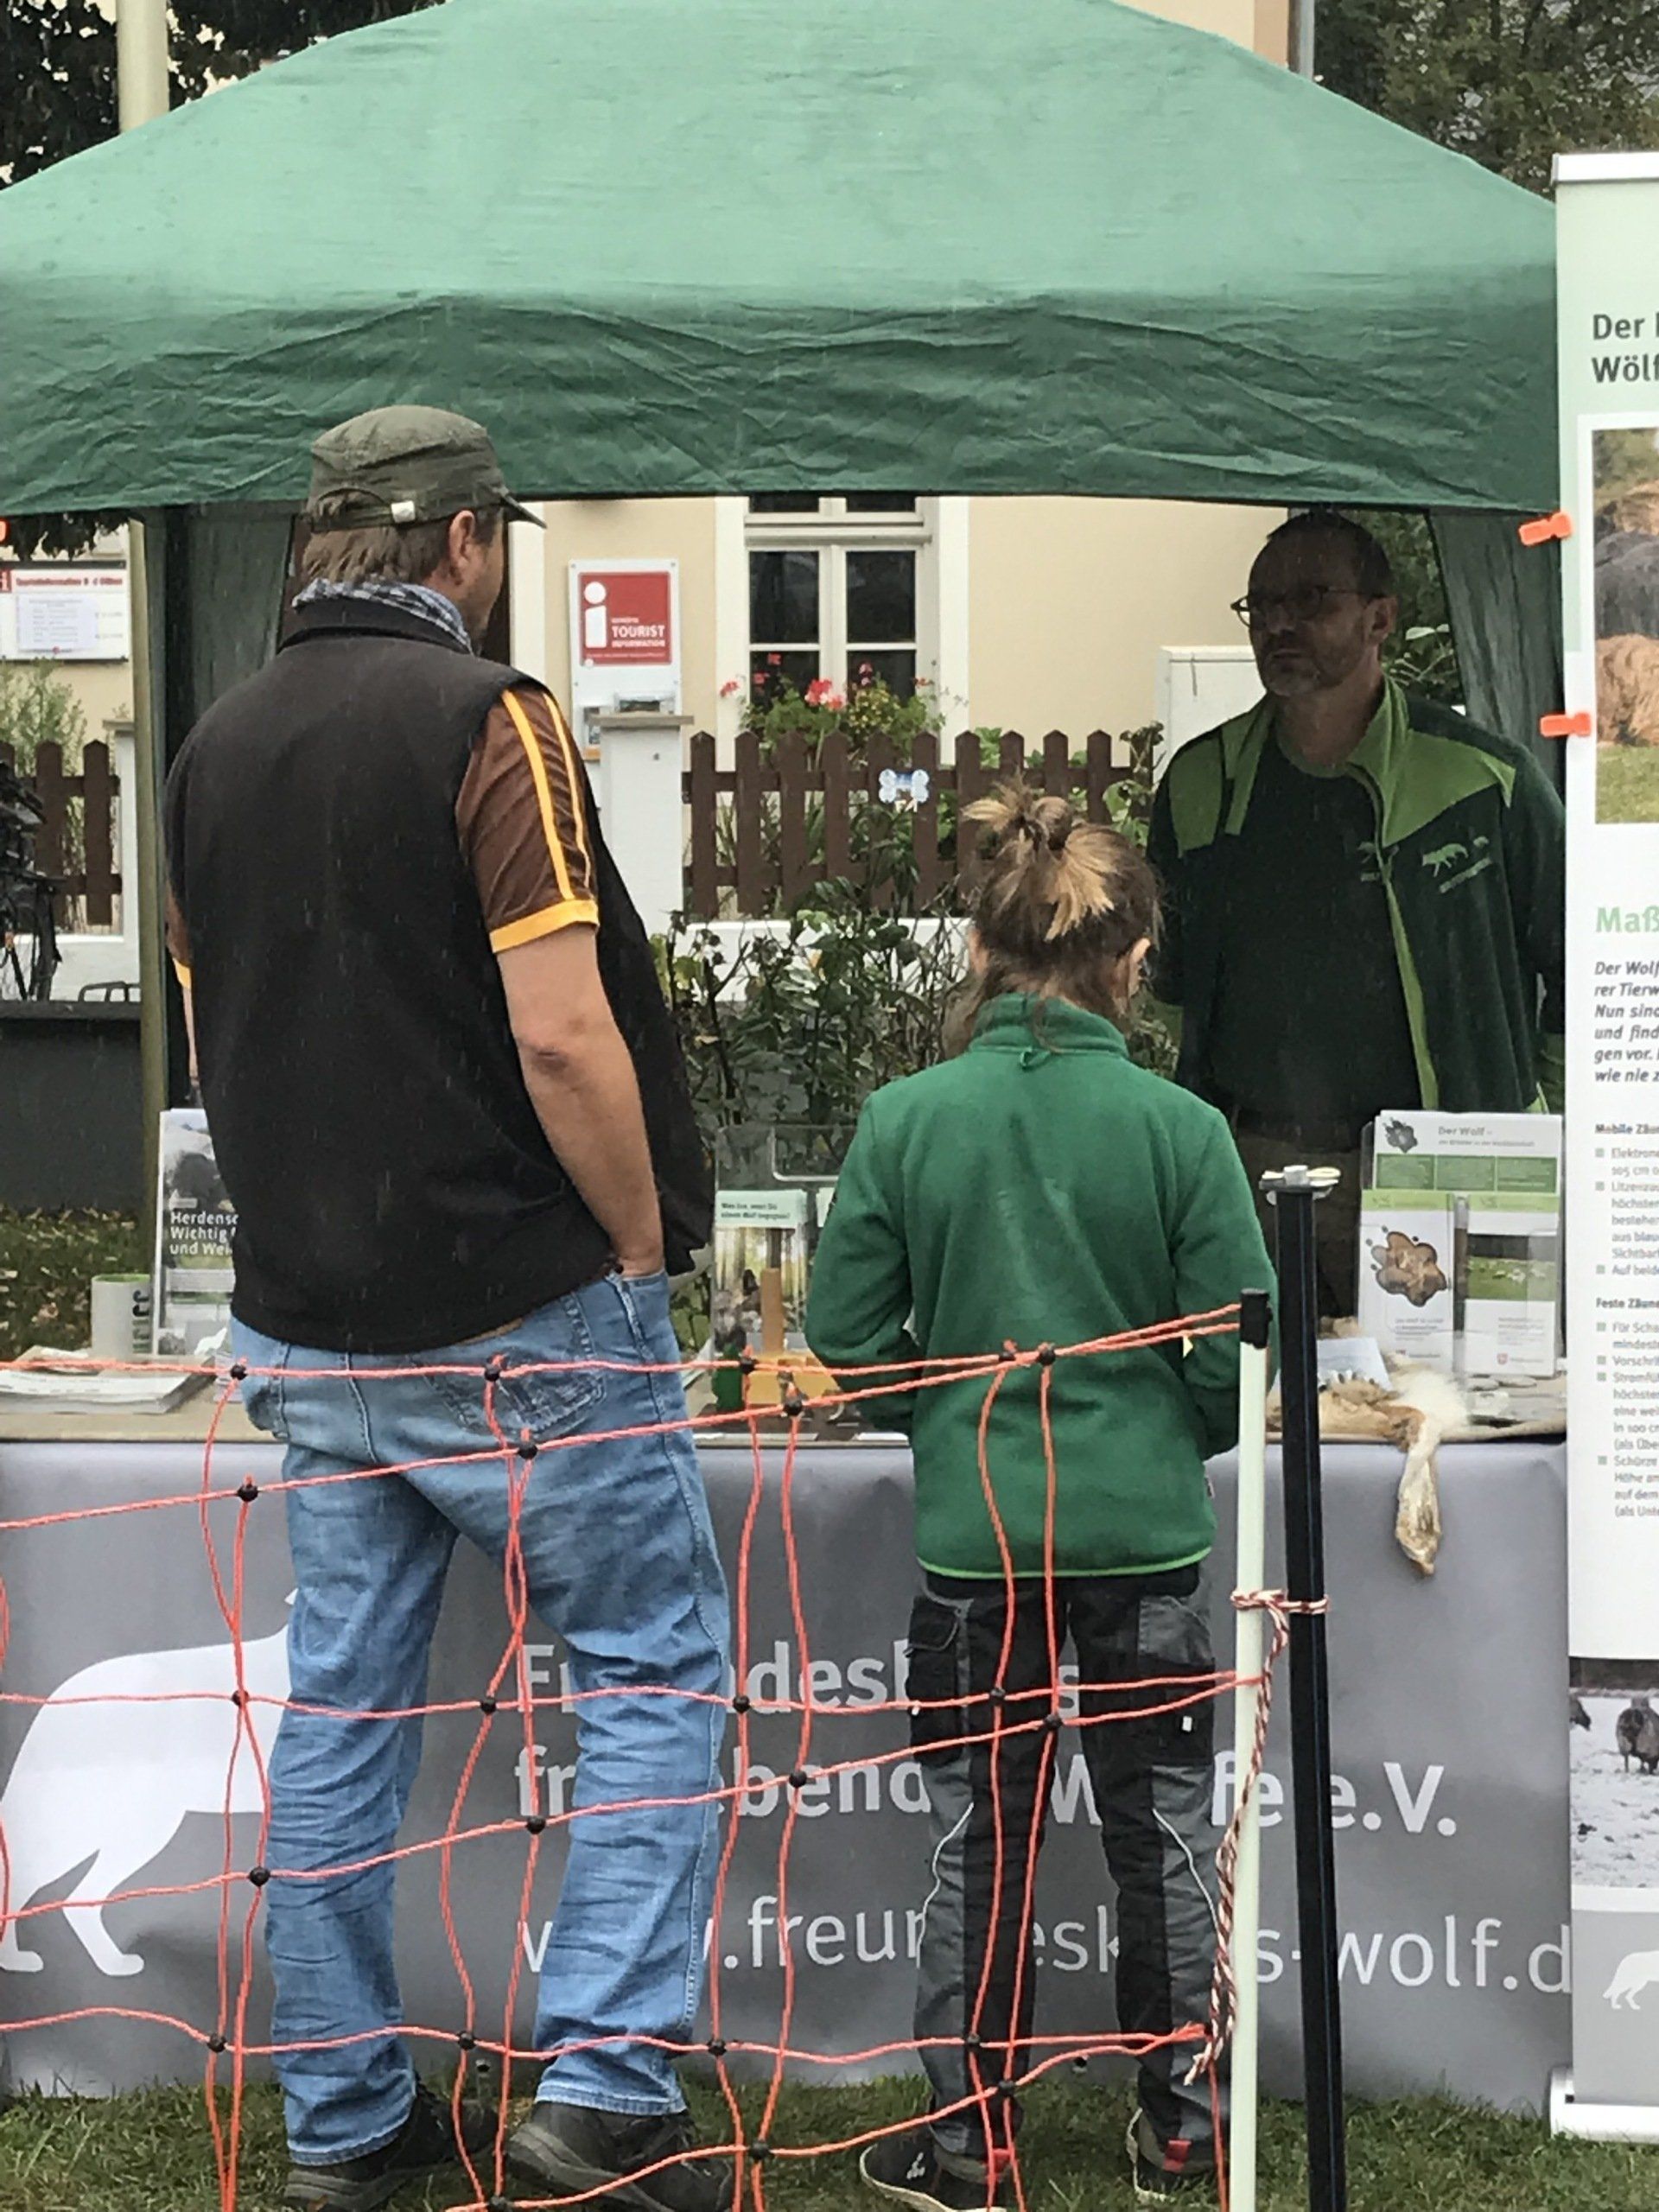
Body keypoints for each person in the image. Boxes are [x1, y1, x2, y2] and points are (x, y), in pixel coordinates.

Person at [163, 406, 731, 2212]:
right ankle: (612, 2087)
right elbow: (562, 1024)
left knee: (341, 1712)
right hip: (523, 1304)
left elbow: (212, 1036)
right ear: (468, 542)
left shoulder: (211, 744)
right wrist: (636, 1256)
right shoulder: (495, 721)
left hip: (312, 1318)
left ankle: (342, 2116)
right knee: (648, 1667)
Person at [804, 788, 1272, 2210]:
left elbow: (844, 1329)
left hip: (976, 1541)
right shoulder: (1183, 1128)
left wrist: (941, 1418)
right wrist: (1164, 1432)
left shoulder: (904, 1121)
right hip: (1149, 1540)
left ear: (982, 946)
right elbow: (1233, 1354)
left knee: (975, 1834)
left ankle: (969, 2145)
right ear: (1131, 959)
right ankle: (1182, 2127)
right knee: (1168, 1830)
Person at [1147, 510, 1567, 1315]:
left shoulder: (1488, 782)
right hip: (1257, 1171)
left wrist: (1531, 1122)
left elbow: (1582, 968)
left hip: (1455, 1167)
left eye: (1310, 599)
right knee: (1258, 1422)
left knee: (1467, 1418)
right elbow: (1169, 989)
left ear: (1382, 618)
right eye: (1261, 605)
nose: (1279, 623)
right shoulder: (1200, 784)